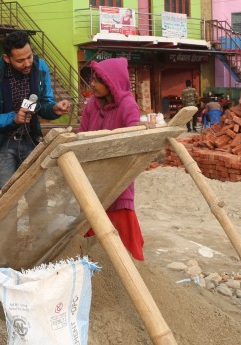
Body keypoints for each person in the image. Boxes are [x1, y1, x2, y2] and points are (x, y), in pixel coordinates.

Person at [0, 30, 70, 256]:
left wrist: (54, 109)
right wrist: (12, 118)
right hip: (1, 147)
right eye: (21, 60)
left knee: (38, 200)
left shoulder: (40, 67)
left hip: (29, 140)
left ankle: (40, 253)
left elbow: (44, 103)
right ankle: (9, 257)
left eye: (29, 56)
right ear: (7, 58)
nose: (28, 63)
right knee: (7, 205)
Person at [78, 58, 145, 261]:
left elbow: (134, 134)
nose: (93, 84)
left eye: (99, 80)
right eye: (93, 79)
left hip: (119, 178)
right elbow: (82, 133)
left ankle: (131, 268)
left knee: (122, 230)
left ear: (112, 82)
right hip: (92, 177)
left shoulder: (127, 105)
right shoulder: (92, 104)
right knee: (90, 225)